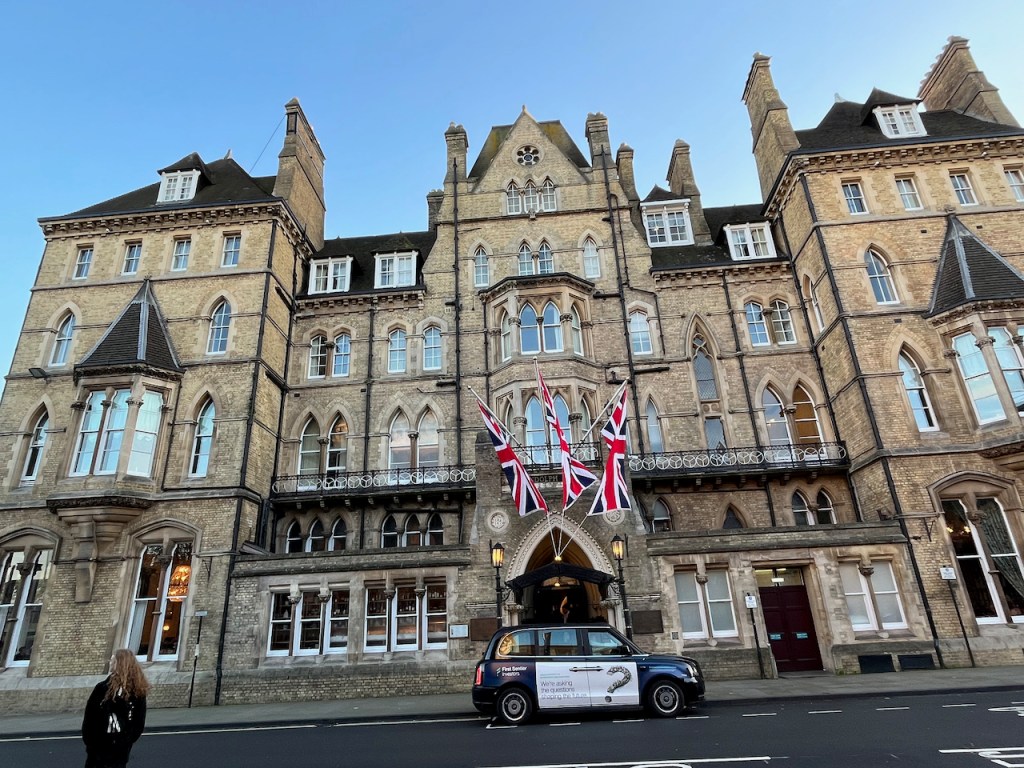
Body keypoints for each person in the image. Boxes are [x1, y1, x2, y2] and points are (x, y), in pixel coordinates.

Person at [81, 649, 149, 768]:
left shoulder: (137, 692)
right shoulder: (102, 688)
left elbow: (138, 722)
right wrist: (91, 744)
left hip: (119, 749)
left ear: (121, 663)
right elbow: (90, 718)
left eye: (113, 661)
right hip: (98, 747)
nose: (110, 663)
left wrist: (126, 741)